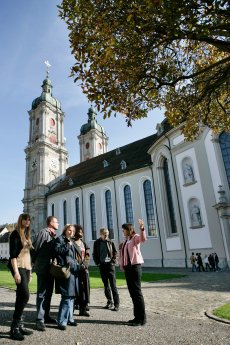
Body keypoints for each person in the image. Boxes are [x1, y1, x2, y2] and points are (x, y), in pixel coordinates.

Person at [54, 224, 85, 330]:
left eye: (72, 231)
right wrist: (67, 244)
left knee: (71, 297)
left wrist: (79, 265)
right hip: (65, 272)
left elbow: (74, 257)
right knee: (66, 297)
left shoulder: (71, 241)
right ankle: (61, 321)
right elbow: (57, 251)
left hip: (73, 271)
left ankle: (69, 319)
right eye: (69, 230)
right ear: (65, 230)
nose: (71, 232)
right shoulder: (60, 239)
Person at [8, 213, 33, 341]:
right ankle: (14, 327)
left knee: (20, 296)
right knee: (25, 295)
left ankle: (19, 325)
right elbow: (13, 256)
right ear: (21, 220)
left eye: (29, 219)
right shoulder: (15, 234)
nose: (28, 221)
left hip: (27, 268)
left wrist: (31, 271)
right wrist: (16, 272)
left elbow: (28, 255)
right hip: (18, 267)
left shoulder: (27, 235)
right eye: (26, 219)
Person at [32, 216, 59, 331]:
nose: (58, 223)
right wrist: (33, 265)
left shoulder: (53, 236)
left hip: (50, 269)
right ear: (50, 223)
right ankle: (39, 320)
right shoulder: (43, 233)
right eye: (56, 222)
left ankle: (46, 316)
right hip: (42, 268)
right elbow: (34, 248)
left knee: (48, 294)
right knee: (42, 294)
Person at [119, 219, 147, 326]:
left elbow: (143, 239)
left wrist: (142, 228)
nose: (123, 232)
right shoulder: (126, 241)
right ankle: (136, 317)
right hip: (128, 269)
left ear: (128, 230)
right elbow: (124, 255)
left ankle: (142, 319)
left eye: (124, 230)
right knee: (132, 294)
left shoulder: (135, 238)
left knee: (137, 293)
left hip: (135, 267)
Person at [93, 228, 120, 311]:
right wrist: (98, 263)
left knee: (113, 285)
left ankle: (116, 304)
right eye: (104, 234)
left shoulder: (110, 242)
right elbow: (94, 254)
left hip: (110, 266)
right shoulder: (97, 242)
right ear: (100, 234)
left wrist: (113, 262)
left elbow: (115, 252)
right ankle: (109, 302)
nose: (106, 236)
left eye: (107, 234)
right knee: (106, 285)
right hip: (102, 266)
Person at [72, 224, 90, 317]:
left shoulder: (84, 243)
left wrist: (85, 265)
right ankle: (71, 311)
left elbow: (87, 255)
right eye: (80, 231)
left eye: (82, 231)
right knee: (76, 290)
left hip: (84, 270)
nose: (81, 233)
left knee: (84, 290)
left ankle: (83, 309)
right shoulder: (71, 242)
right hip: (75, 269)